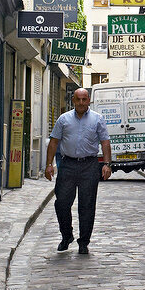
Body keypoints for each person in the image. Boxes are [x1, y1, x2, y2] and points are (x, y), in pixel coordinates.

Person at [44, 88, 111, 255]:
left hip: (89, 165)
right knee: (62, 203)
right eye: (78, 99)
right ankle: (66, 236)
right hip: (68, 165)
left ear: (89, 100)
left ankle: (84, 242)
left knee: (87, 205)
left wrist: (107, 164)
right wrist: (48, 164)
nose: (81, 103)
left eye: (84, 99)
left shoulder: (97, 119)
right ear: (73, 100)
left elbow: (105, 142)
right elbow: (53, 142)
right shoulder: (63, 119)